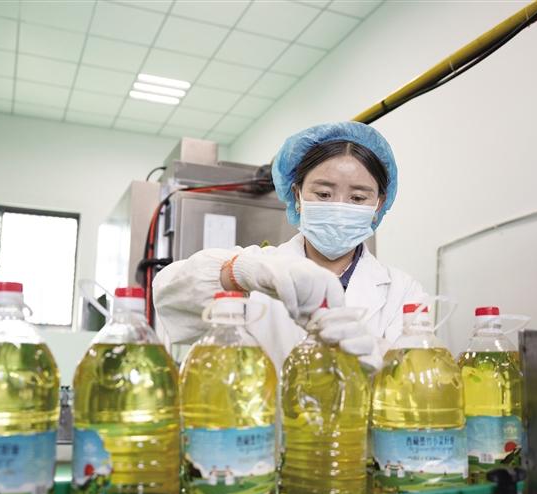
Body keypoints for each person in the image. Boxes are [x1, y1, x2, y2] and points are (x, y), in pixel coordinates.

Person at [153, 121, 425, 371]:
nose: (339, 207)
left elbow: (421, 382)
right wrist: (238, 273)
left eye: (357, 198)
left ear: (378, 204)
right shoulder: (261, 267)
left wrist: (383, 357)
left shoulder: (402, 291)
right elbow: (169, 296)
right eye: (323, 194)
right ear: (297, 195)